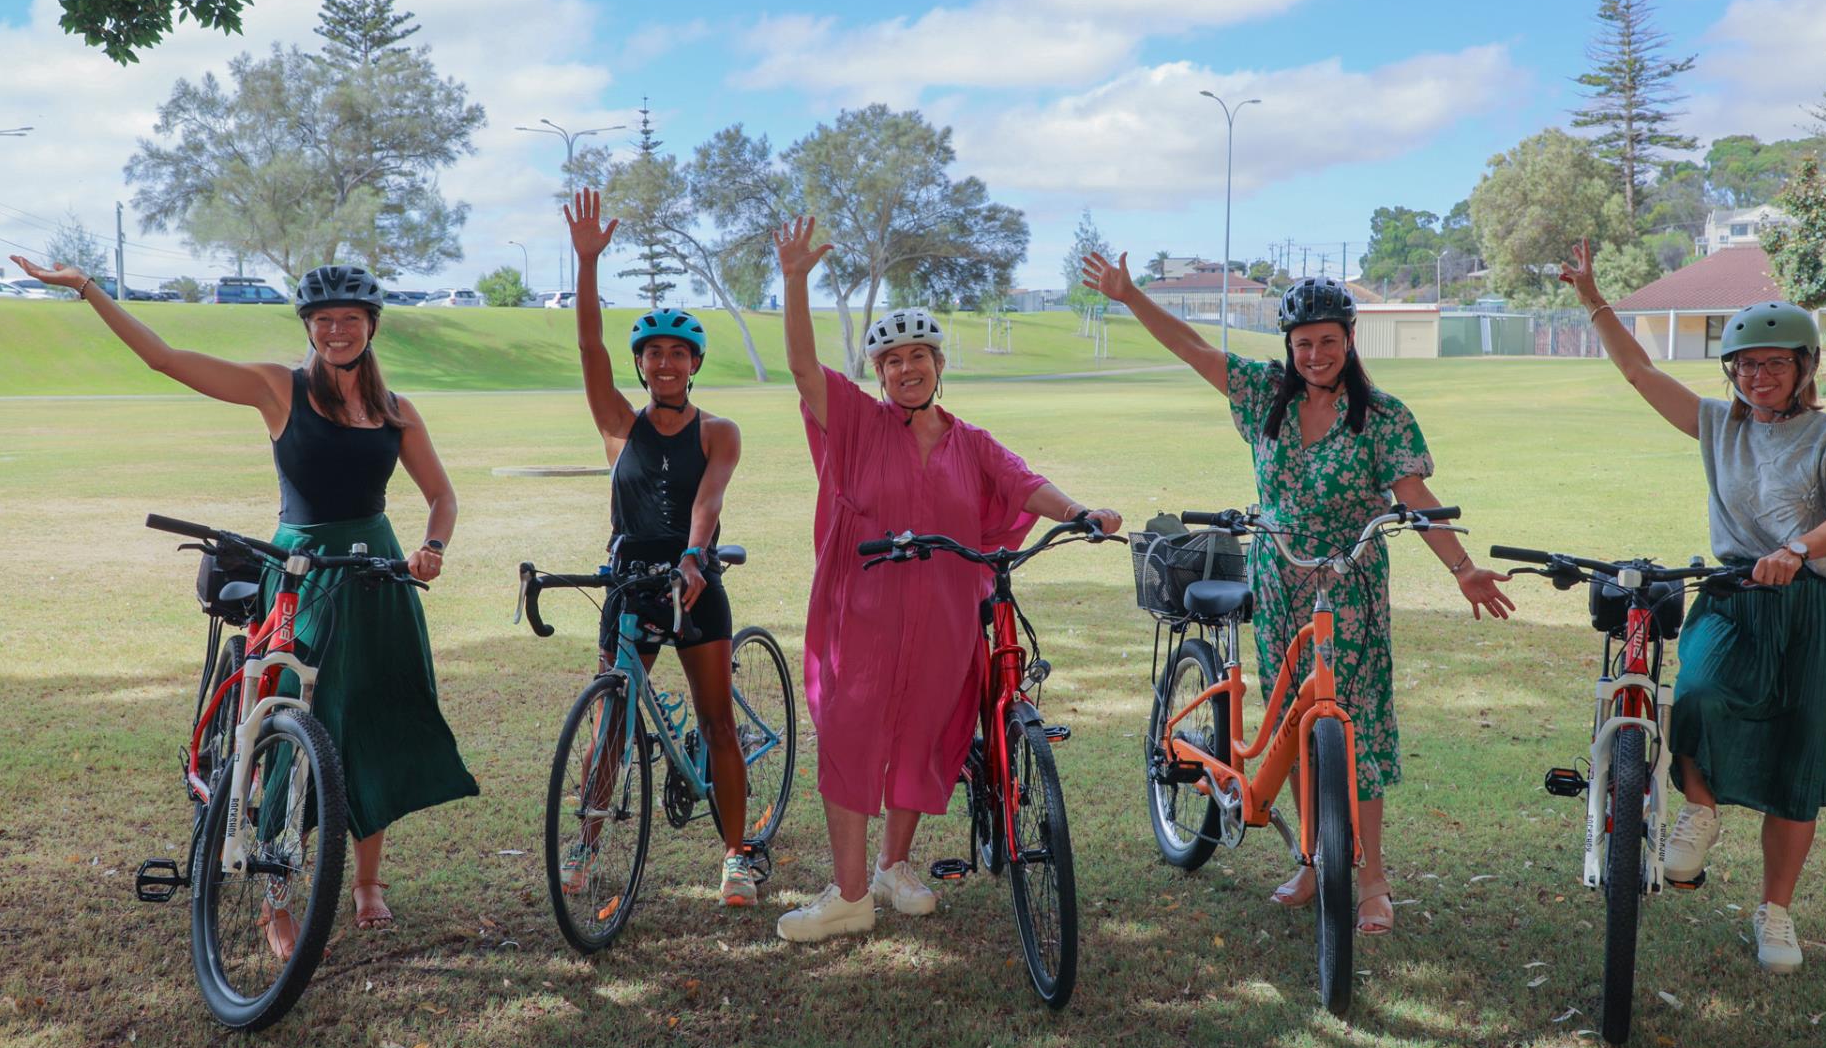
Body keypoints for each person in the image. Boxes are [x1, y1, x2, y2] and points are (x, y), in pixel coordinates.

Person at [8, 253, 477, 953]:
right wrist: (86, 289)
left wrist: (432, 545)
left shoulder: (396, 410)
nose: (336, 331)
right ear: (309, 328)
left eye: (350, 319)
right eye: (323, 320)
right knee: (289, 721)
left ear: (371, 326)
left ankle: (368, 883)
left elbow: (442, 495)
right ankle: (276, 895)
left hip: (377, 575)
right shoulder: (276, 389)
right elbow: (166, 359)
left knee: (375, 726)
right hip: (301, 571)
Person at [1080, 254, 1512, 935]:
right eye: (1303, 342)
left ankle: (1370, 877)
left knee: (1357, 729)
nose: (1315, 354)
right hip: (1280, 577)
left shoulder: (1382, 416)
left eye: (1328, 341)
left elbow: (1416, 498)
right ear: (1288, 345)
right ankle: (1312, 859)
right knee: (1289, 722)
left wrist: (1463, 569)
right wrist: (1131, 295)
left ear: (1350, 339)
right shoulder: (1261, 393)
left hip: (1354, 585)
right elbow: (1192, 348)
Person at [772, 217, 1122, 942]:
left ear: (938, 364)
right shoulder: (858, 424)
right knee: (850, 733)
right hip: (862, 614)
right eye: (893, 360)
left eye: (919, 357)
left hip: (943, 615)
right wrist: (797, 280)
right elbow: (805, 369)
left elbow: (1027, 485)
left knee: (923, 733)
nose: (907, 369)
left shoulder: (971, 442)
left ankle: (893, 865)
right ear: (878, 373)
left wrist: (1080, 510)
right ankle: (847, 894)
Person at [1560, 239, 1826, 974]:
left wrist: (1797, 549)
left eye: (1773, 363)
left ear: (1804, 367)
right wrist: (1594, 300)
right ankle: (1699, 810)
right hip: (1736, 597)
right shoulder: (1720, 424)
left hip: (1815, 608)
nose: (1757, 376)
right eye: (1743, 364)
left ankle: (1776, 913)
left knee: (1799, 758)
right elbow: (1641, 372)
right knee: (1697, 698)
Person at [563, 189, 754, 907]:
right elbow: (587, 346)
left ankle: (738, 855)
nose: (665, 363)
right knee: (610, 718)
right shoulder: (618, 423)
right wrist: (588, 264)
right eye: (653, 353)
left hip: (693, 579)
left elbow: (707, 500)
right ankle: (583, 843)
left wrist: (695, 557)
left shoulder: (718, 430)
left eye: (678, 352)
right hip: (629, 583)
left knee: (716, 721)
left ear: (695, 362)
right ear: (640, 364)